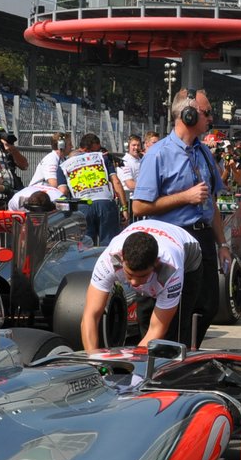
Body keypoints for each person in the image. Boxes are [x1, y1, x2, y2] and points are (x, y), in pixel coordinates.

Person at [132, 89, 230, 348]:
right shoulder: (159, 154)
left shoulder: (204, 153)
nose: (211, 119)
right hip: (171, 240)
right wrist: (184, 197)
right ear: (187, 115)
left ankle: (188, 351)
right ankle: (163, 359)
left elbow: (213, 203)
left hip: (202, 237)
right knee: (174, 310)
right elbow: (139, 206)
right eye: (206, 112)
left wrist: (223, 245)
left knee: (208, 305)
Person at [80, 219, 200, 351]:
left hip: (189, 257)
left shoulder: (172, 269)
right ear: (122, 258)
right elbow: (90, 316)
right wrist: (93, 358)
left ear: (156, 263)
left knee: (174, 331)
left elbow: (158, 328)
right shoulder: (107, 261)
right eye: (129, 275)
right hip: (147, 239)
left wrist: (134, 364)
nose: (134, 283)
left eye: (142, 276)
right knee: (144, 319)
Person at [59, 131, 129, 245]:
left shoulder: (63, 165)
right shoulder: (103, 158)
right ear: (87, 150)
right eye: (96, 150)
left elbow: (63, 191)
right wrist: (124, 209)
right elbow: (116, 182)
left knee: (85, 248)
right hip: (105, 204)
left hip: (82, 206)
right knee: (109, 247)